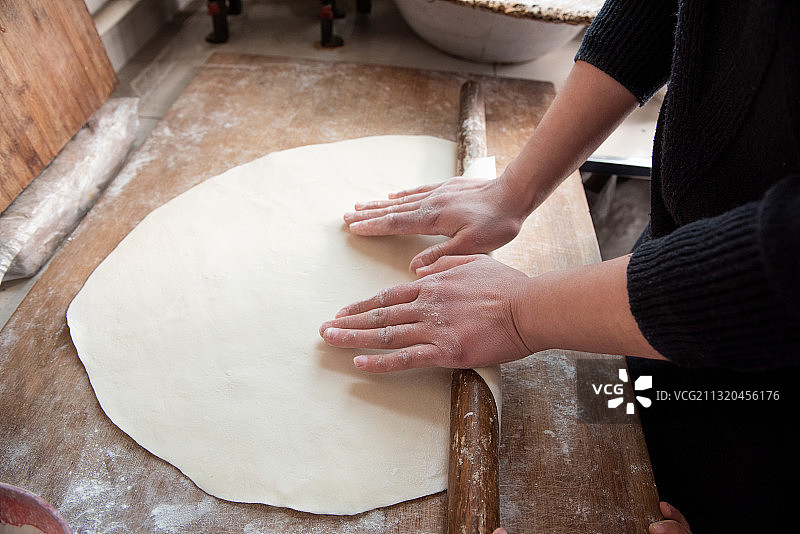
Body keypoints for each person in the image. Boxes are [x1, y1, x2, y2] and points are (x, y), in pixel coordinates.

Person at [320, 0, 799, 531]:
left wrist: (518, 312)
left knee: (686, 492)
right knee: (610, 424)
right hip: (673, 298)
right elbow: (659, 11)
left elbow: (783, 259)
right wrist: (513, 190)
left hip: (773, 391)